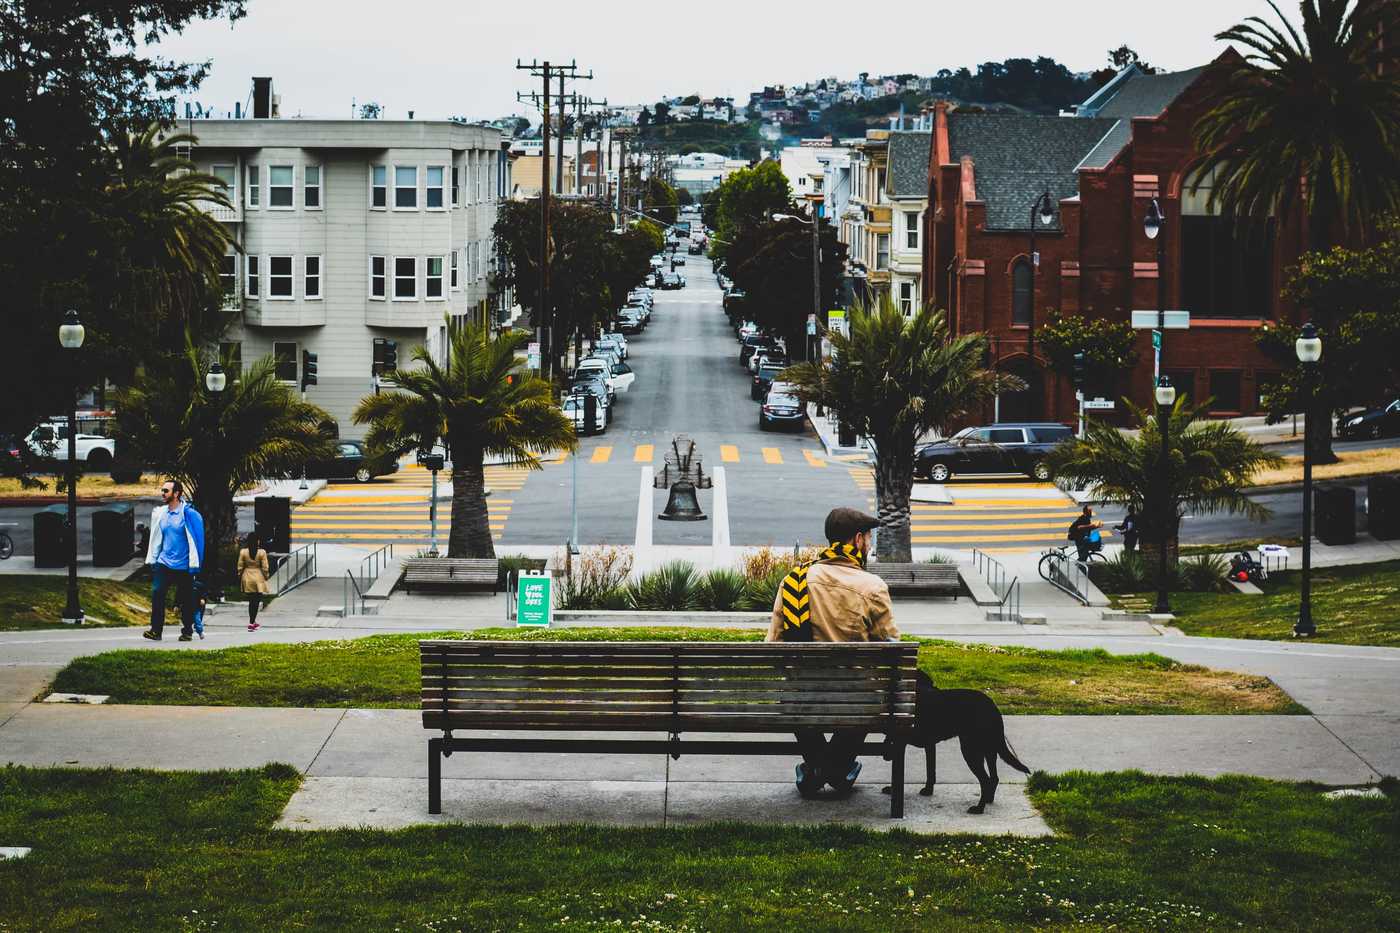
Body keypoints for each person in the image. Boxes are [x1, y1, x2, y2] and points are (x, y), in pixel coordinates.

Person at [767, 507, 899, 799]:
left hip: (802, 699)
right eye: (868, 538)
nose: (870, 544)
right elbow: (892, 649)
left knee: (795, 692)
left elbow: (774, 644)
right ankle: (836, 770)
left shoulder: (794, 581)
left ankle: (816, 769)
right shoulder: (872, 586)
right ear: (856, 540)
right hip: (856, 701)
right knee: (867, 693)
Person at [143, 479, 205, 642]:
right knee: (157, 593)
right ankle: (156, 631)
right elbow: (156, 538)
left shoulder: (188, 514)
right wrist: (154, 559)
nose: (162, 493)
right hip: (164, 563)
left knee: (186, 599)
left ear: (176, 494)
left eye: (166, 491)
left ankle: (187, 631)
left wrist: (197, 565)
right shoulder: (161, 514)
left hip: (184, 565)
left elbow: (197, 541)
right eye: (162, 490)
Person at [237, 532, 271, 632]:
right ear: (257, 541)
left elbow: (239, 566)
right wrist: (266, 576)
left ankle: (252, 621)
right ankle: (252, 623)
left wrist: (240, 576)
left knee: (251, 601)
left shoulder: (243, 552)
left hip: (247, 577)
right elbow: (265, 567)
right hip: (258, 577)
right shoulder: (262, 552)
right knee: (256, 601)